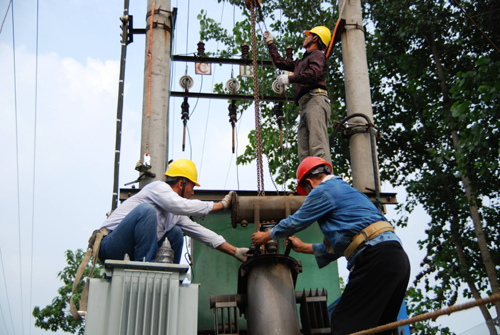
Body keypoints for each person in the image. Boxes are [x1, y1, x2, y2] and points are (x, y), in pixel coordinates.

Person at [252, 157, 410, 335]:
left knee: (343, 323)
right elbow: (341, 247)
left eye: (305, 191)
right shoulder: (351, 193)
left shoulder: (323, 190)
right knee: (380, 329)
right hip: (397, 259)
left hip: (375, 258)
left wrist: (266, 236)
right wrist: (304, 247)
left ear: (310, 183)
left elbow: (296, 221)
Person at [98, 158, 248, 265]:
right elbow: (183, 206)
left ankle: (169, 277)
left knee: (175, 233)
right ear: (181, 183)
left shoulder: (175, 215)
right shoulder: (158, 188)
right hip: (110, 246)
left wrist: (235, 252)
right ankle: (145, 268)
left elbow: (202, 233)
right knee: (146, 211)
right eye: (192, 187)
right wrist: (221, 205)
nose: (193, 192)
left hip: (130, 252)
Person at [264, 27, 333, 167]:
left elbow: (313, 74)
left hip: (316, 100)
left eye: (309, 35)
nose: (306, 37)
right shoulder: (301, 63)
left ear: (316, 39)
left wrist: (290, 79)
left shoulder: (318, 55)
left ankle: (325, 181)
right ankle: (309, 184)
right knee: (304, 152)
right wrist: (270, 43)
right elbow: (280, 62)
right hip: (305, 104)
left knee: (317, 145)